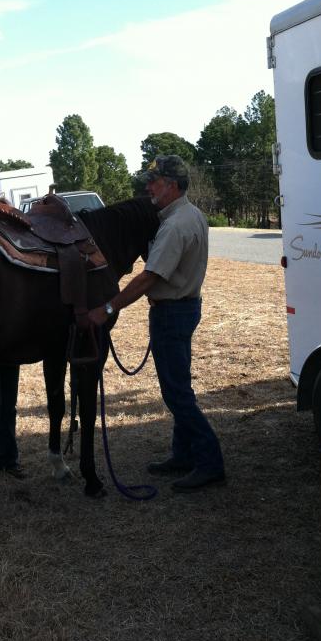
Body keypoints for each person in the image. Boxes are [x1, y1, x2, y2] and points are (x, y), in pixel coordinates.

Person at [89, 154, 225, 491]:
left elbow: (149, 277)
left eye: (156, 182)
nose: (149, 187)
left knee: (177, 393)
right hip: (185, 307)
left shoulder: (175, 225)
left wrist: (107, 308)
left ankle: (210, 462)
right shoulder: (192, 215)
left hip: (172, 312)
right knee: (179, 386)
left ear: (173, 186)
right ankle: (183, 454)